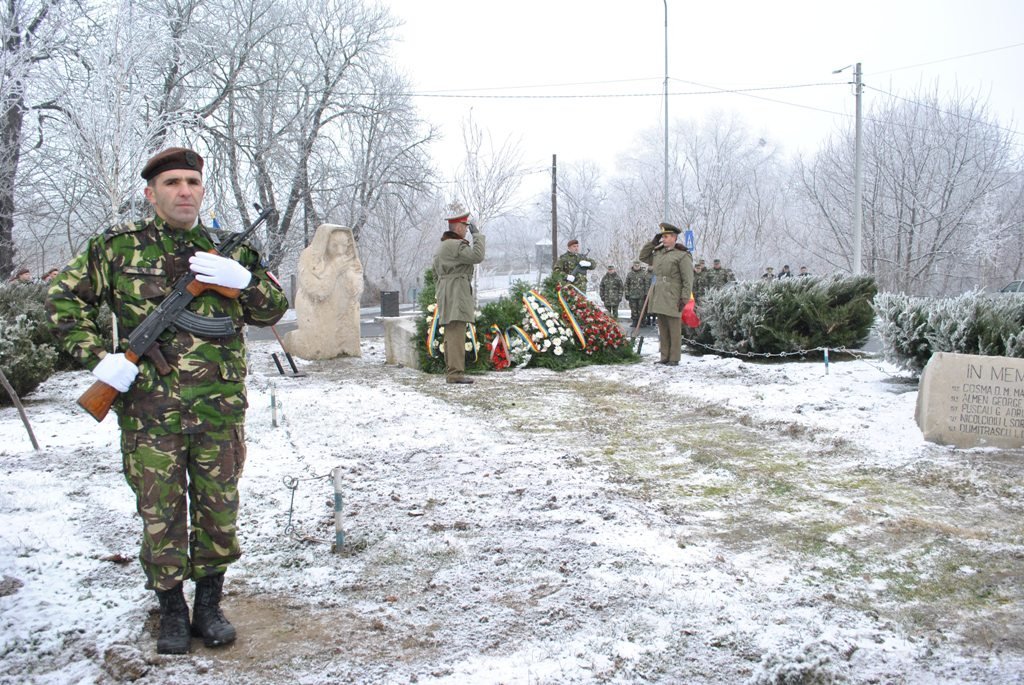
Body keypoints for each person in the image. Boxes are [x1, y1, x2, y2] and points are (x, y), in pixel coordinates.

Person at [46, 147, 288, 655]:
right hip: (149, 414)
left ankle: (209, 606)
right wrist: (99, 358)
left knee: (218, 511)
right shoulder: (116, 248)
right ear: (150, 192)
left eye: (193, 182)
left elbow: (273, 310)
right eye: (173, 182)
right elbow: (62, 298)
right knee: (160, 513)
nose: (185, 191)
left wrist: (245, 284)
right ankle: (172, 610)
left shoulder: (227, 249)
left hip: (219, 413)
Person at [433, 204, 485, 384]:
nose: (466, 230)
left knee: (450, 334)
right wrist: (477, 235)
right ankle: (455, 374)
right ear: (458, 228)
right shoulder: (456, 245)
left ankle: (452, 372)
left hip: (446, 291)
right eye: (465, 226)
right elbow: (477, 256)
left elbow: (435, 273)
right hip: (456, 292)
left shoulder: (443, 246)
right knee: (456, 334)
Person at [638, 222, 693, 366]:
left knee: (674, 328)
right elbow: (643, 257)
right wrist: (652, 243)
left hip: (673, 294)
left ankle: (674, 358)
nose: (664, 239)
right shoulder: (658, 252)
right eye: (662, 237)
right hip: (659, 294)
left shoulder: (682, 255)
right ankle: (664, 356)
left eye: (667, 236)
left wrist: (685, 297)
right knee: (662, 326)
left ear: (674, 238)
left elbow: (688, 279)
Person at [625, 261, 649, 329]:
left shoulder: (644, 274)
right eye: (635, 265)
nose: (636, 266)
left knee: (641, 309)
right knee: (633, 309)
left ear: (640, 266)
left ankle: (642, 321)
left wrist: (646, 294)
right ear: (633, 266)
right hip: (632, 295)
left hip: (641, 295)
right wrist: (627, 293)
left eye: (638, 265)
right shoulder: (630, 274)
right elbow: (626, 284)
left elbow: (646, 284)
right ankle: (634, 321)